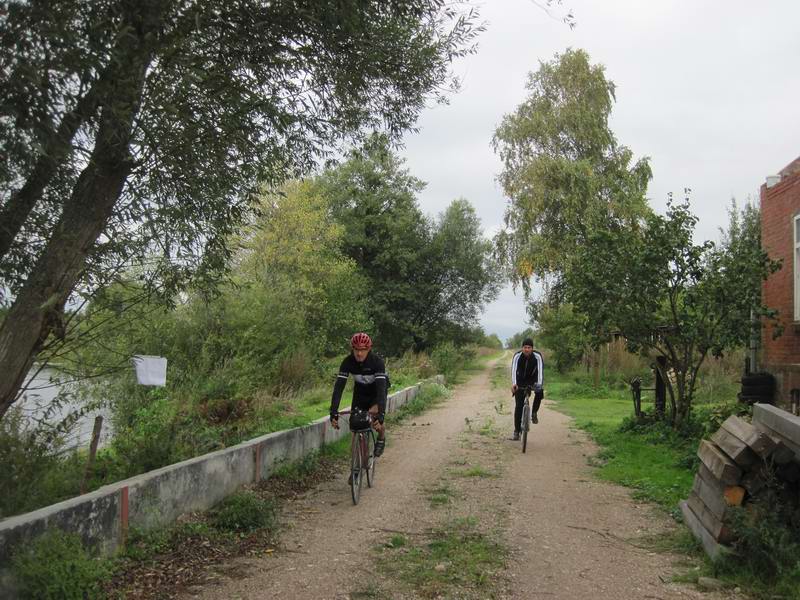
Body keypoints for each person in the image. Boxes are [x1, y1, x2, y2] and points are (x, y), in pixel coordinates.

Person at [330, 332, 387, 458]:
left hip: (376, 392)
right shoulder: (348, 362)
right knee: (355, 424)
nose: (359, 353)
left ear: (369, 349)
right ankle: (356, 465)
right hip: (360, 392)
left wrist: (381, 414)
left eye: (362, 350)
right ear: (352, 349)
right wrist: (333, 411)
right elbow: (339, 388)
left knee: (374, 421)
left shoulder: (377, 362)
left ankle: (381, 437)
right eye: (356, 349)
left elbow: (382, 390)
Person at [510, 337, 544, 440]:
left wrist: (539, 384)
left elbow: (540, 371)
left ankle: (534, 412)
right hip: (520, 380)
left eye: (529, 347)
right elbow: (513, 370)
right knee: (519, 406)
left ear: (532, 348)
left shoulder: (537, 356)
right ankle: (516, 431)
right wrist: (514, 384)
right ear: (522, 348)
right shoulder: (517, 356)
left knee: (540, 392)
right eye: (525, 347)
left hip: (533, 379)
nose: (527, 349)